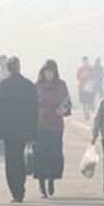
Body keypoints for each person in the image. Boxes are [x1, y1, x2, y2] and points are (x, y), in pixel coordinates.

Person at [0, 56, 39, 203]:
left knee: (11, 160)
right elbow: (34, 111)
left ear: (8, 69)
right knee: (20, 159)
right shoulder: (28, 85)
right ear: (19, 67)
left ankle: (15, 192)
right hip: (24, 130)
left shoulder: (3, 86)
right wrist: (33, 132)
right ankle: (20, 190)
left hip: (8, 131)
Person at [34, 59, 71, 198]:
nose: (49, 74)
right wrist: (43, 112)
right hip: (41, 125)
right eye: (47, 72)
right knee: (41, 155)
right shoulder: (37, 86)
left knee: (54, 154)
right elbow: (32, 106)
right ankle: (41, 184)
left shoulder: (61, 85)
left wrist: (65, 110)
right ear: (43, 73)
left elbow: (68, 103)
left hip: (56, 126)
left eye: (51, 72)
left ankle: (51, 180)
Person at [76, 56, 96, 120]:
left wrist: (89, 74)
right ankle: (85, 113)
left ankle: (88, 112)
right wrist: (83, 75)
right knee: (83, 102)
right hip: (82, 87)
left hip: (89, 87)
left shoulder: (91, 68)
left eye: (86, 61)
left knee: (88, 101)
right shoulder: (80, 69)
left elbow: (93, 76)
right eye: (84, 61)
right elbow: (77, 77)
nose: (85, 62)